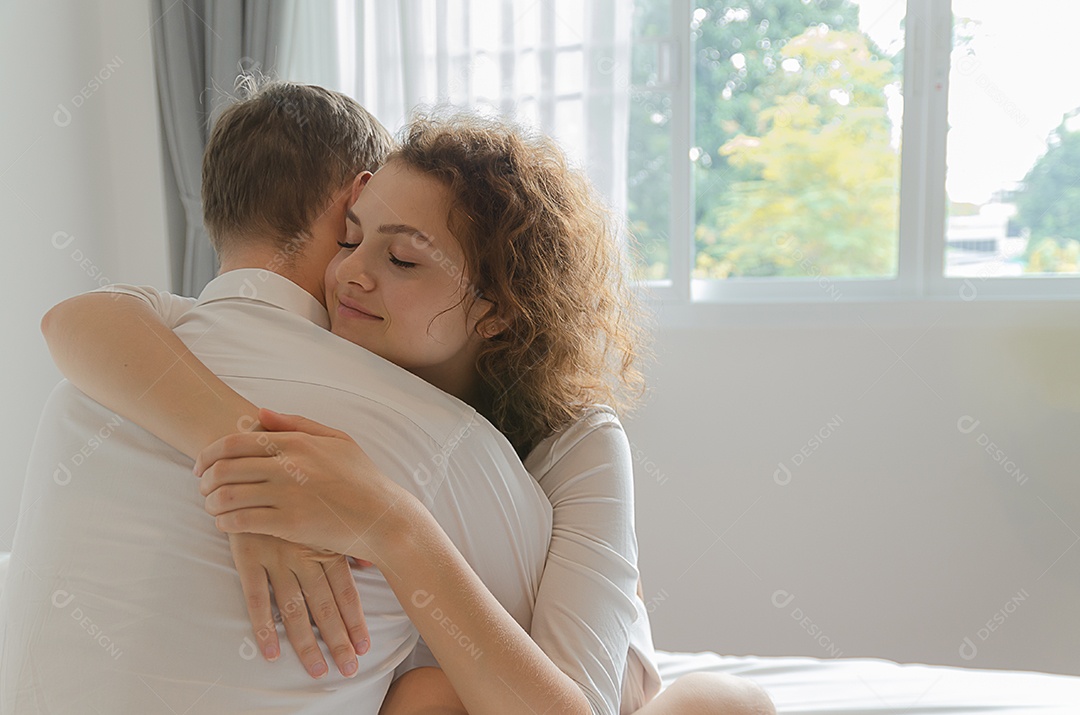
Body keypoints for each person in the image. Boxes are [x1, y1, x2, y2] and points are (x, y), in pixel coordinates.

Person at [41, 99, 776, 713]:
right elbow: (81, 320)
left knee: (724, 704)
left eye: (401, 259)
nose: (350, 274)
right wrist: (246, 463)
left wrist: (388, 521)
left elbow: (573, 693)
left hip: (575, 682)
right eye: (351, 237)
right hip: (426, 672)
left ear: (496, 310)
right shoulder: (336, 349)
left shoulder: (576, 441)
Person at [0, 81, 564, 715]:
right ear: (360, 196)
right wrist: (254, 463)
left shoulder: (87, 387)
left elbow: (71, 318)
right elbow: (573, 679)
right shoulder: (442, 441)